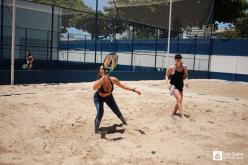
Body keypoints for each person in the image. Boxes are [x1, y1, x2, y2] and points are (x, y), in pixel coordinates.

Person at [92, 65, 141, 133]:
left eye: (105, 68)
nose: (104, 70)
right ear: (99, 72)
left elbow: (123, 86)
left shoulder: (113, 79)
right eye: (102, 69)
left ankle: (125, 123)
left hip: (109, 97)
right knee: (100, 112)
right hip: (98, 98)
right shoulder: (100, 81)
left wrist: (134, 90)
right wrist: (103, 78)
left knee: (116, 110)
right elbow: (94, 88)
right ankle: (96, 131)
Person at [165, 54, 189, 118]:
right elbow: (166, 76)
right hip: (173, 85)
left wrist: (186, 81)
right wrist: (168, 84)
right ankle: (182, 116)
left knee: (179, 101)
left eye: (179, 59)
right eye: (177, 59)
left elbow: (186, 76)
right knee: (179, 98)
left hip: (180, 85)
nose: (178, 60)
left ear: (181, 59)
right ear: (175, 60)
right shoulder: (172, 68)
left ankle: (173, 113)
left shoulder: (185, 67)